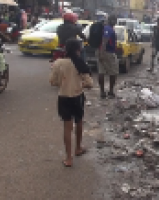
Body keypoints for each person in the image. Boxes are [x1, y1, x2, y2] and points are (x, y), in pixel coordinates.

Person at [50, 39, 93, 167]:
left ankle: (69, 158)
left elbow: (52, 81)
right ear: (78, 50)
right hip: (77, 96)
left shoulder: (58, 63)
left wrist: (63, 83)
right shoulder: (79, 63)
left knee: (67, 127)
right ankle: (78, 148)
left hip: (63, 97)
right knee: (79, 121)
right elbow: (90, 83)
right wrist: (81, 84)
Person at [97, 15, 118, 99]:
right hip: (108, 52)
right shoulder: (108, 29)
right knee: (113, 72)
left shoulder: (105, 28)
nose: (115, 22)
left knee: (101, 71)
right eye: (114, 20)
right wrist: (102, 53)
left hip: (100, 51)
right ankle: (110, 91)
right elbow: (104, 41)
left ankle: (102, 92)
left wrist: (100, 53)